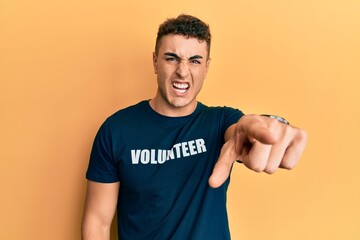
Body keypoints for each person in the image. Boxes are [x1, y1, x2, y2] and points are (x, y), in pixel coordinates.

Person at [81, 14, 307, 240]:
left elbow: (242, 131)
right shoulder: (117, 129)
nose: (182, 70)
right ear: (155, 62)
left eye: (195, 60)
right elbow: (97, 223)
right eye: (171, 58)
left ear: (206, 68)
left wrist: (273, 128)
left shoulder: (220, 121)